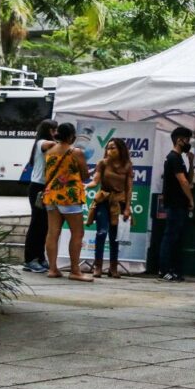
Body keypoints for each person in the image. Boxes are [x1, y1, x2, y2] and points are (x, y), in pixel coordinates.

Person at [42, 123, 92, 281]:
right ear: (71, 136)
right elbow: (84, 175)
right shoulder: (75, 151)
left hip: (51, 195)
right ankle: (75, 271)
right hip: (69, 196)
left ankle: (52, 269)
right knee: (77, 233)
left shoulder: (50, 151)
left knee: (52, 233)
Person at [89, 137, 133, 278]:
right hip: (103, 199)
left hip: (119, 202)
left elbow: (129, 188)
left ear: (120, 150)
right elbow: (95, 180)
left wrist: (127, 207)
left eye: (113, 148)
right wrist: (85, 185)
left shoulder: (127, 165)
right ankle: (98, 266)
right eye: (108, 148)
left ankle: (113, 267)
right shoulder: (102, 163)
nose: (109, 150)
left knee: (115, 237)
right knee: (102, 232)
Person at [22, 120, 57, 273]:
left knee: (44, 225)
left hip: (46, 187)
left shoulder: (46, 143)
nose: (56, 133)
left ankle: (40, 257)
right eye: (55, 130)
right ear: (49, 130)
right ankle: (30, 259)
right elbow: (52, 145)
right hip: (38, 187)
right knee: (36, 224)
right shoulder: (42, 143)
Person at [160, 127, 194, 282]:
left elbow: (189, 179)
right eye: (187, 140)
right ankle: (165, 269)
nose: (188, 143)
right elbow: (183, 181)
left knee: (177, 237)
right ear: (179, 140)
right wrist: (191, 199)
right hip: (174, 203)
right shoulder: (173, 158)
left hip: (179, 203)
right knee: (171, 236)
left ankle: (173, 268)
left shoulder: (180, 158)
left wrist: (192, 162)